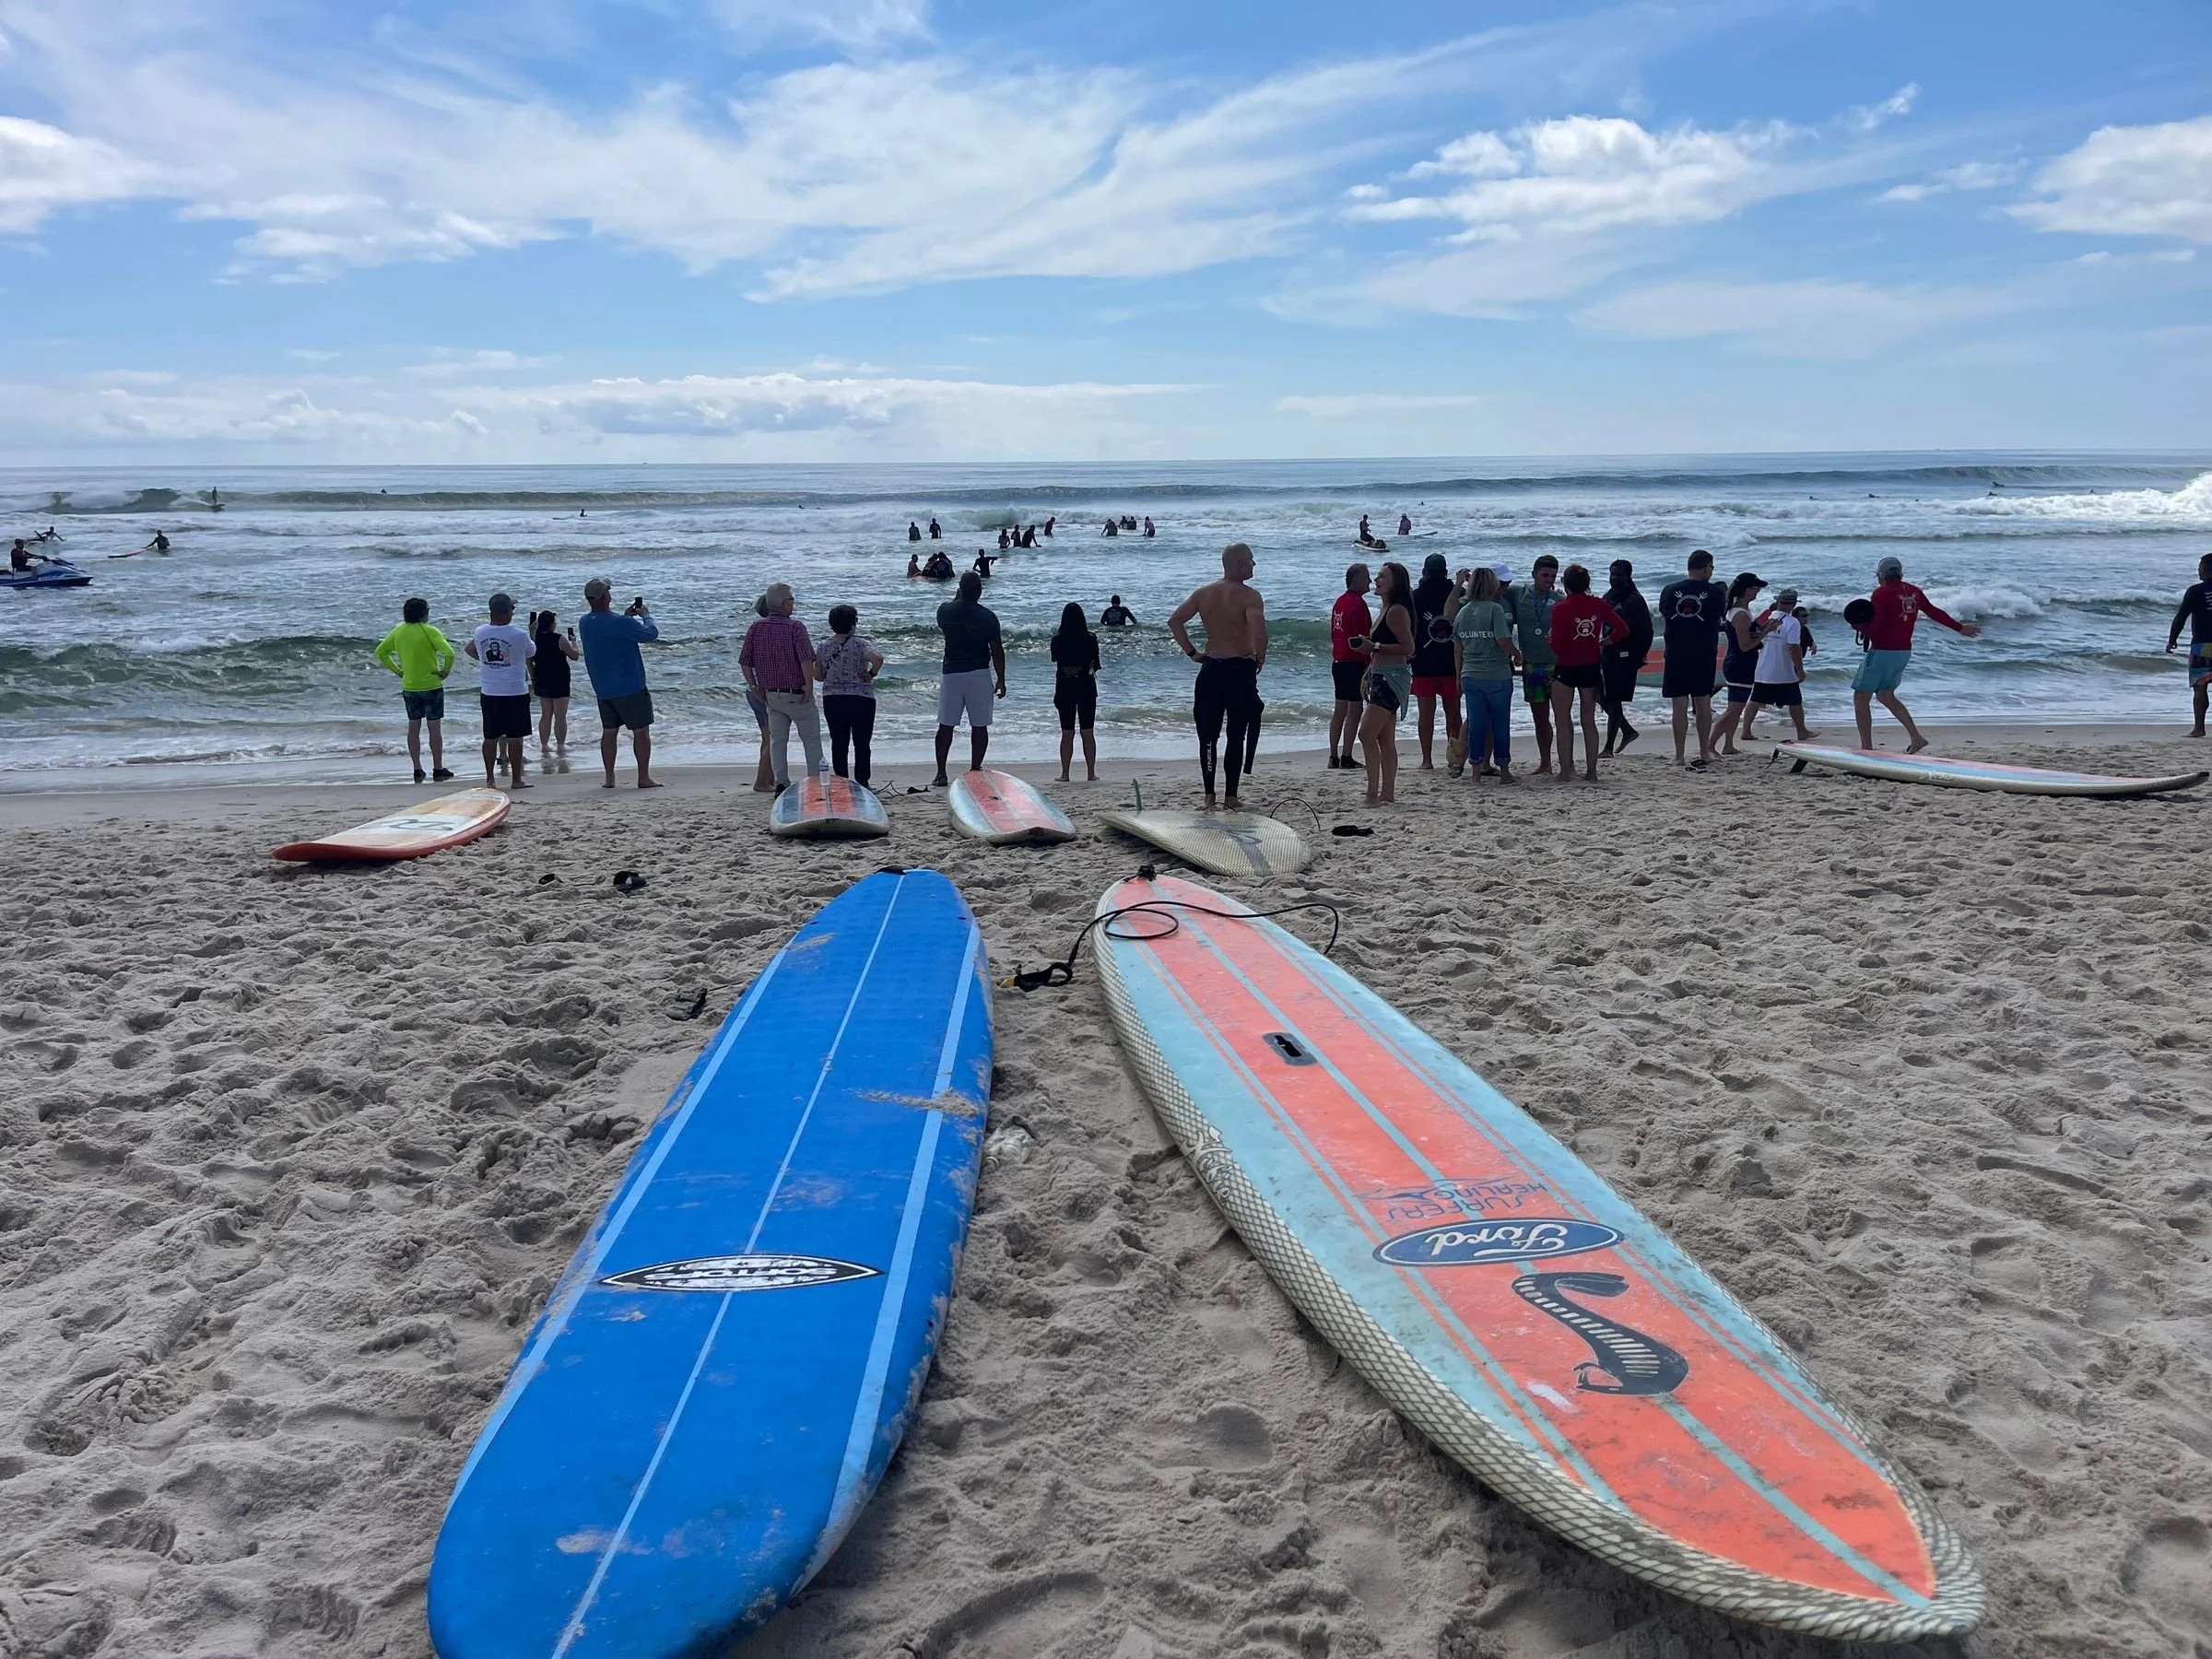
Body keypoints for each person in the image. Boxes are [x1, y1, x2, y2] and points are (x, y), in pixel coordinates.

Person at [1169, 542, 1268, 809]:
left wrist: (1192, 652)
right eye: (1251, 559)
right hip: (1239, 670)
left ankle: (1209, 795)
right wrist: (1260, 657)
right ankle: (1231, 797)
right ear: (1240, 564)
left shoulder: (1204, 593)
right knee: (1236, 734)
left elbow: (1175, 621)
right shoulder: (1251, 596)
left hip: (1211, 669)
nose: (1254, 564)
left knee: (1209, 736)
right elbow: (1259, 632)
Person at [1854, 556, 1981, 751]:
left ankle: (1866, 748)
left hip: (1882, 652)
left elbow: (1877, 627)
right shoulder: (1913, 591)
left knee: (1861, 697)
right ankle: (1916, 738)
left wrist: (1859, 626)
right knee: (1886, 695)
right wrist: (1959, 628)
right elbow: (1933, 612)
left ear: (1881, 575)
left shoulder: (1881, 593)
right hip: (1903, 652)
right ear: (1900, 573)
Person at [1547, 563, 1627, 784]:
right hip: (1590, 665)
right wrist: (1603, 642)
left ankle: (1565, 771)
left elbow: (1558, 646)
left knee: (1563, 722)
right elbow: (1622, 629)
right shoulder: (1598, 604)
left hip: (1566, 667)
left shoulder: (1561, 608)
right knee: (1588, 721)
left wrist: (1550, 637)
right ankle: (1592, 771)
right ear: (1587, 584)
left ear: (1565, 583)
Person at [576, 578, 660, 789]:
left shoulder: (585, 622)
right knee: (641, 730)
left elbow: (611, 634)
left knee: (609, 731)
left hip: (603, 687)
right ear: (605, 597)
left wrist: (626, 618)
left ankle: (609, 777)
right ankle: (643, 777)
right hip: (630, 685)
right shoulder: (621, 623)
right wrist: (645, 615)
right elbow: (651, 634)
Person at [739, 582, 824, 792]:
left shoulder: (756, 627)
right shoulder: (796, 627)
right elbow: (806, 660)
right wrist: (808, 685)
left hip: (771, 695)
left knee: (778, 741)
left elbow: (745, 661)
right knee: (811, 739)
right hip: (795, 693)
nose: (793, 603)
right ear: (785, 603)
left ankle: (781, 782)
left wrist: (754, 685)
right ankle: (815, 782)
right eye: (792, 599)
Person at [1352, 560, 1416, 806]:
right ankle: (1386, 793)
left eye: (1382, 576)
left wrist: (1374, 646)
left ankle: (1372, 794)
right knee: (1384, 739)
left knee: (1366, 733)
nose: (1377, 580)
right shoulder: (1385, 608)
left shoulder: (1397, 610)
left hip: (1392, 678)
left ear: (1395, 583)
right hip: (1381, 674)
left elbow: (1408, 648)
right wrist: (1369, 669)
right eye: (1377, 575)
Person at [1656, 551, 1728, 769]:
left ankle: (1679, 755)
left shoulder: (1670, 590)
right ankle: (1704, 751)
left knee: (1679, 705)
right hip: (1703, 653)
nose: (1711, 572)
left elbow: (1663, 613)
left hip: (1676, 653)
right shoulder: (1714, 593)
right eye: (1711, 568)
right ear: (1706, 568)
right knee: (1703, 704)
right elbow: (1719, 617)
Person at [373, 595, 456, 783]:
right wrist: (445, 671)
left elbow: (381, 652)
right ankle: (438, 767)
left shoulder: (399, 631)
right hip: (432, 685)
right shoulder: (430, 630)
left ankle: (417, 768)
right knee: (434, 728)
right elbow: (449, 653)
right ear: (423, 614)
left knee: (414, 727)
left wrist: (398, 671)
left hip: (409, 686)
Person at [934, 570, 1006, 784]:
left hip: (952, 673)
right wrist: (1001, 678)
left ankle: (941, 773)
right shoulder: (988, 616)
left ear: (960, 589)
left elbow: (948, 614)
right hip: (979, 673)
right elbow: (997, 650)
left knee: (946, 724)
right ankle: (975, 768)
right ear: (980, 591)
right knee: (979, 725)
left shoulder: (945, 611)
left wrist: (958, 597)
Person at [1452, 566, 1520, 783]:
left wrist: (1458, 677)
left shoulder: (1463, 611)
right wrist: (1517, 655)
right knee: (1500, 724)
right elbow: (1502, 640)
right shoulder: (1495, 609)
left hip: (1470, 674)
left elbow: (1458, 649)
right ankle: (1505, 770)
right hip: (1496, 674)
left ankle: (1476, 772)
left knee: (1477, 724)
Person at [465, 592, 535, 791]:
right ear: (505, 612)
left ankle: (490, 779)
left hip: (490, 690)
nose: (513, 612)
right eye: (512, 609)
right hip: (514, 691)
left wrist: (487, 662)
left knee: (490, 736)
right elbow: (532, 652)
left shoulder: (480, 632)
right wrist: (533, 633)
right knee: (515, 737)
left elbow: (469, 649)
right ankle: (516, 780)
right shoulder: (519, 634)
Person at [1405, 553, 1464, 772]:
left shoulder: (1416, 596)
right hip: (1452, 663)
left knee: (1425, 715)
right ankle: (1454, 760)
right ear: (1446, 572)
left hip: (1423, 662)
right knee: (1454, 714)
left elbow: (1410, 627)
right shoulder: (1459, 593)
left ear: (1424, 572)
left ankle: (1427, 760)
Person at [1502, 556, 1562, 773]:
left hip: (1557, 666)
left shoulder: (1559, 600)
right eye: (1545, 575)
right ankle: (1545, 762)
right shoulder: (1518, 594)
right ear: (1534, 574)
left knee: (1562, 717)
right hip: (1531, 665)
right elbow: (1493, 589)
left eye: (1553, 576)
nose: (1549, 580)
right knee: (1540, 718)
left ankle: (1565, 762)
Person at [818, 604, 883, 788]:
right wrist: (871, 674)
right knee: (862, 743)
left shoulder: (824, 645)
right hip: (861, 698)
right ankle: (863, 783)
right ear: (853, 623)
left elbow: (818, 676)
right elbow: (878, 658)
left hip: (832, 698)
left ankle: (841, 782)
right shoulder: (860, 643)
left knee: (839, 742)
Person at [1711, 572, 1772, 757]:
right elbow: (1745, 646)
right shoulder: (1740, 614)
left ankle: (1728, 744)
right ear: (1748, 590)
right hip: (1740, 664)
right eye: (1756, 589)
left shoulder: (1739, 611)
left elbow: (1744, 638)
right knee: (1733, 710)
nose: (1758, 592)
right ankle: (1710, 744)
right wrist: (1765, 632)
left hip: (1739, 663)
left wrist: (1762, 628)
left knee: (1736, 708)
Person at [1746, 586, 1818, 743]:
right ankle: (1802, 731)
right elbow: (1793, 647)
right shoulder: (1792, 622)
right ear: (1792, 605)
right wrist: (1799, 669)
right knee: (1795, 701)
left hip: (1763, 667)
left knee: (1755, 699)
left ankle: (1746, 730)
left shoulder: (1764, 617)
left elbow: (1752, 637)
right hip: (1783, 671)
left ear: (1778, 602)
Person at [1598, 559, 1654, 758]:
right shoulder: (1609, 596)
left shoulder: (1634, 600)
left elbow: (1648, 631)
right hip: (1607, 652)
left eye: (1619, 574)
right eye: (1612, 573)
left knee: (1613, 698)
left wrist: (1641, 655)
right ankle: (1628, 731)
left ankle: (1608, 748)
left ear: (1628, 576)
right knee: (1599, 695)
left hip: (1626, 654)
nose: (1614, 578)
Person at [1051, 601, 1101, 782]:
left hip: (1064, 687)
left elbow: (1054, 659)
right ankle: (1090, 773)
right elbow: (1096, 664)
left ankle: (1065, 774)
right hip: (1086, 686)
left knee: (1067, 732)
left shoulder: (1057, 639)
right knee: (1088, 732)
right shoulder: (1090, 638)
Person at [1328, 563, 1372, 770]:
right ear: (1355, 579)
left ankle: (1333, 755)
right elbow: (1362, 638)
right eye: (1366, 577)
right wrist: (1369, 662)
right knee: (1354, 709)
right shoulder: (1358, 604)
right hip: (1354, 662)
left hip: (1338, 661)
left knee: (1340, 709)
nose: (1370, 581)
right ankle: (1346, 755)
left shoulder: (1339, 602)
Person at [2166, 552, 2212, 737]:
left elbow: (2181, 617)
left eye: (2200, 567)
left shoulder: (2195, 591)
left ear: (2206, 569)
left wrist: (2172, 640)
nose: (2198, 570)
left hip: (2202, 645)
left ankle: (2199, 728)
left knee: (2200, 687)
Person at [528, 608, 581, 770]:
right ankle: (560, 745)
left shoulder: (534, 640)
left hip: (542, 678)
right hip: (560, 679)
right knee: (560, 715)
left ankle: (544, 745)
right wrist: (574, 641)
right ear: (552, 625)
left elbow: (529, 660)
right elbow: (574, 655)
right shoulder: (559, 639)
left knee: (546, 715)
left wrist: (533, 677)